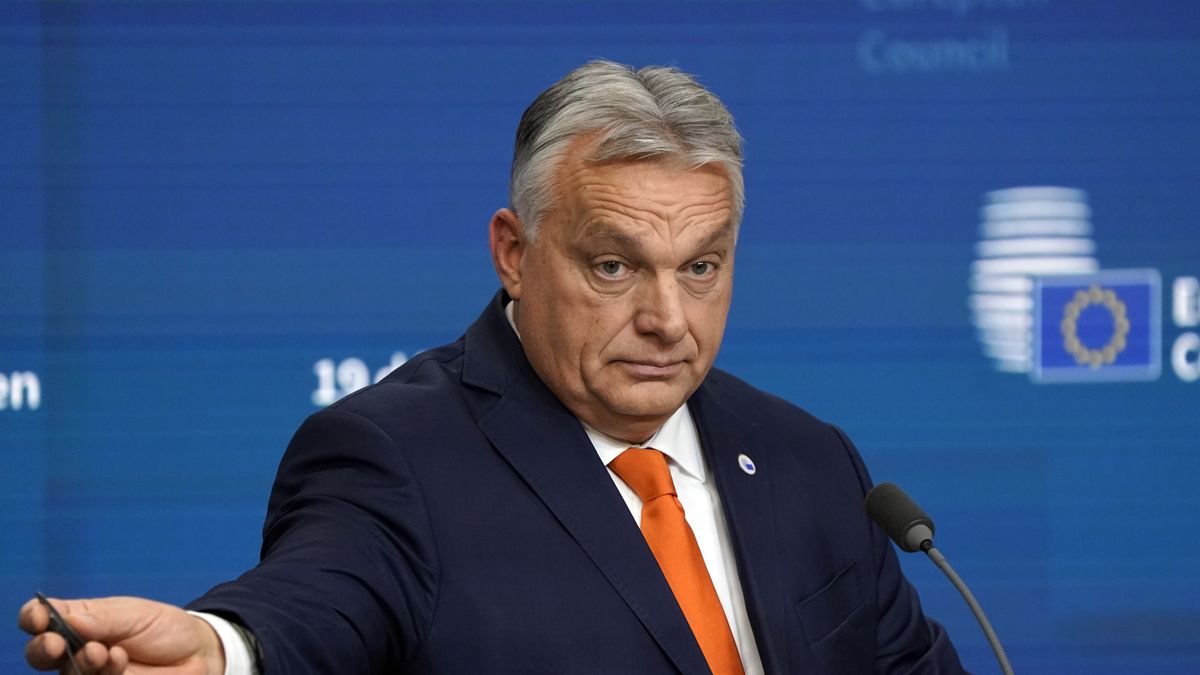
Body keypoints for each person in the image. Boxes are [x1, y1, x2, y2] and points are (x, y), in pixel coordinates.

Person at [20, 60, 965, 674]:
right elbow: (323, 597)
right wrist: (224, 648)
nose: (667, 320)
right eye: (614, 266)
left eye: (701, 267)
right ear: (514, 252)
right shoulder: (393, 456)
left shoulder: (808, 459)